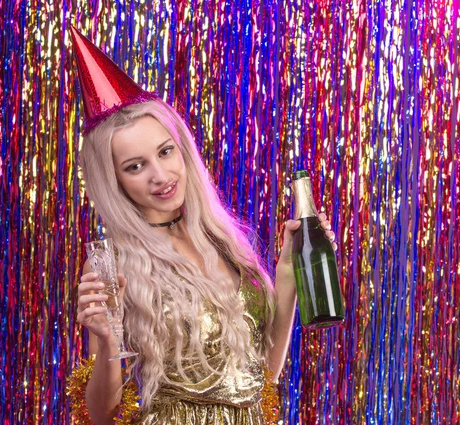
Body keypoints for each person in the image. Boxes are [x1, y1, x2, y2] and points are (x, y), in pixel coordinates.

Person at [67, 27, 337, 425]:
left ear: (183, 149)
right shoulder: (114, 266)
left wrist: (286, 272)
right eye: (135, 166)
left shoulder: (222, 240)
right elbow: (102, 418)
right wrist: (106, 338)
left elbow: (262, 379)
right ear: (115, 181)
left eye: (165, 151)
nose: (160, 176)